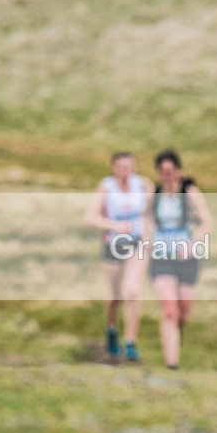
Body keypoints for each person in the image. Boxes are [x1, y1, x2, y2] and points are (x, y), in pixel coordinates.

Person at [84, 151, 153, 361]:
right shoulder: (106, 187)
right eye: (120, 167)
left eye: (129, 167)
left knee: (132, 291)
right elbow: (89, 218)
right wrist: (114, 225)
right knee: (116, 296)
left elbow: (152, 212)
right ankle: (112, 329)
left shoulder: (143, 186)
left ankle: (131, 341)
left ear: (134, 167)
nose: (125, 172)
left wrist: (148, 234)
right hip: (112, 245)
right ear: (114, 168)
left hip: (137, 244)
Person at [147, 149, 213, 370]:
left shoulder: (189, 192)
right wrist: (148, 240)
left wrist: (191, 244)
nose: (168, 175)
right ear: (158, 173)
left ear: (179, 171)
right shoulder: (153, 194)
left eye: (171, 171)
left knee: (183, 310)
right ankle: (171, 365)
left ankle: (176, 333)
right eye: (163, 172)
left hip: (186, 258)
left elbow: (206, 222)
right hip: (161, 258)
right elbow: (144, 219)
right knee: (169, 310)